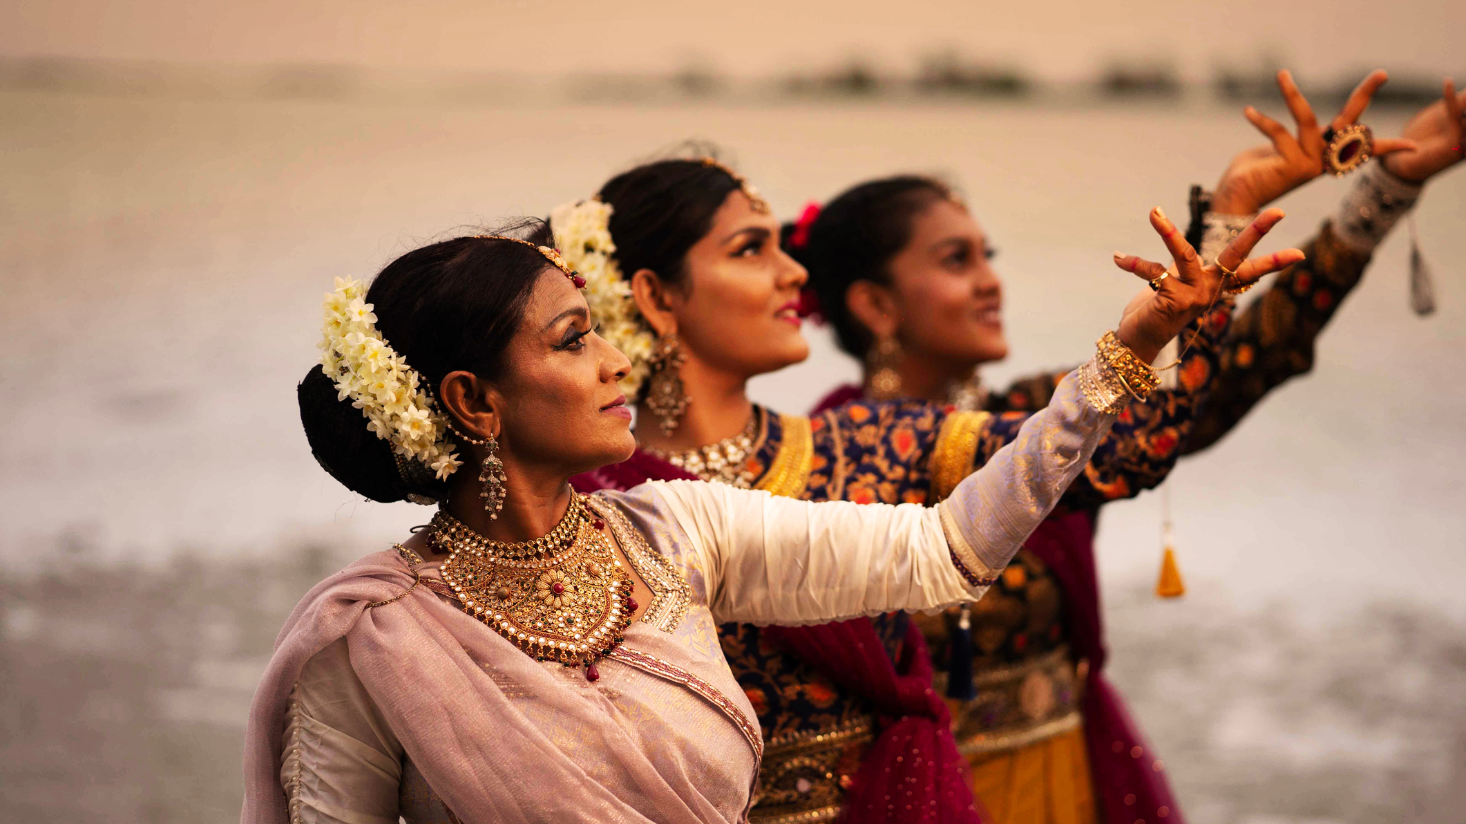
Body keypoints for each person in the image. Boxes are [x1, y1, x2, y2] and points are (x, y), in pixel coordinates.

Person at [242, 213, 1298, 823]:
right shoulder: (372, 642)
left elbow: (943, 550)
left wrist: (1127, 349)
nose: (614, 360)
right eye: (571, 340)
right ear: (474, 401)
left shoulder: (673, 533)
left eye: (601, 330)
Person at [790, 70, 1466, 824]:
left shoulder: (1036, 418)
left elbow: (1215, 381)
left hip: (1065, 780)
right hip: (919, 802)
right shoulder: (822, 467)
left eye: (989, 254)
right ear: (875, 304)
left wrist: (1377, 192)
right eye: (957, 260)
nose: (992, 281)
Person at [551, 154, 1294, 822]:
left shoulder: (869, 445)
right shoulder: (578, 503)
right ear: (655, 296)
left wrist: (1160, 319)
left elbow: (1132, 448)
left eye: (781, 246)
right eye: (751, 249)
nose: (796, 274)